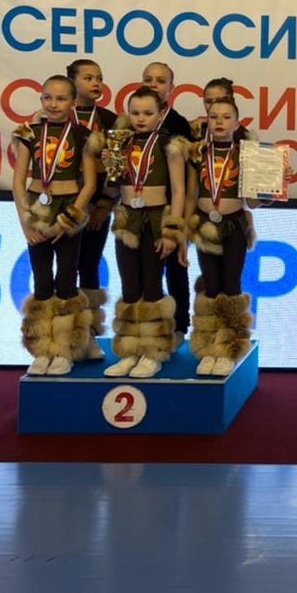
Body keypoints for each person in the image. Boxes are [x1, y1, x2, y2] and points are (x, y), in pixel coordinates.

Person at [12, 75, 99, 376]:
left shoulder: (83, 135)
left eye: (61, 99)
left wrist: (69, 220)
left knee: (66, 279)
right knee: (41, 282)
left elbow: (90, 184)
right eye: (47, 97)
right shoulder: (28, 132)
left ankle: (64, 349)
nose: (53, 104)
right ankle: (42, 349)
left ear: (73, 102)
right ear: (41, 99)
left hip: (68, 208)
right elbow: (18, 181)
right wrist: (26, 223)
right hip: (37, 209)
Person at [105, 86, 188, 379]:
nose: (141, 119)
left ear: (161, 114)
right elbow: (112, 189)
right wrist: (109, 168)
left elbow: (179, 191)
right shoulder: (120, 143)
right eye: (135, 113)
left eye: (148, 113)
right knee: (130, 288)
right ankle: (130, 351)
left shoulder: (170, 145)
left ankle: (153, 352)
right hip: (128, 218)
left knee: (152, 287)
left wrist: (172, 231)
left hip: (156, 219)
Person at [185, 96, 256, 377]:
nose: (219, 122)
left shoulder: (246, 154)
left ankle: (228, 350)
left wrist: (271, 187)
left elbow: (254, 202)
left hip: (234, 225)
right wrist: (183, 235)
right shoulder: (196, 153)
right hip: (205, 226)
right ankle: (209, 349)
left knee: (231, 285)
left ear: (237, 124)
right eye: (214, 117)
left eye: (226, 118)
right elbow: (190, 195)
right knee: (211, 286)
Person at [66, 58, 118, 359]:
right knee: (64, 269)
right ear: (72, 82)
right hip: (63, 209)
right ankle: (63, 336)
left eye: (99, 77)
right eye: (88, 78)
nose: (96, 83)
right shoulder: (55, 119)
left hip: (96, 208)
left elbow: (117, 170)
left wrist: (105, 205)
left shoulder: (111, 121)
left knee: (89, 264)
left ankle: (90, 335)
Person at [141, 61, 193, 345]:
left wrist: (179, 219)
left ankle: (179, 325)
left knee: (176, 268)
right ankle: (148, 327)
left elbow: (187, 177)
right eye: (148, 79)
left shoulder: (179, 125)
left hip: (172, 207)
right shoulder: (129, 123)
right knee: (144, 272)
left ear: (172, 88)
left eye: (160, 81)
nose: (153, 85)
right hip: (139, 211)